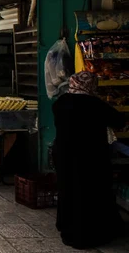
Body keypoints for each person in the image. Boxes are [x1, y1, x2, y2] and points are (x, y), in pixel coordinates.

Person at [52, 71, 126, 249]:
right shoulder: (95, 104)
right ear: (92, 85)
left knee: (68, 189)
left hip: (63, 154)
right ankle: (89, 233)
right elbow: (119, 121)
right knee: (90, 192)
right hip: (89, 157)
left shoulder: (60, 102)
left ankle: (66, 226)